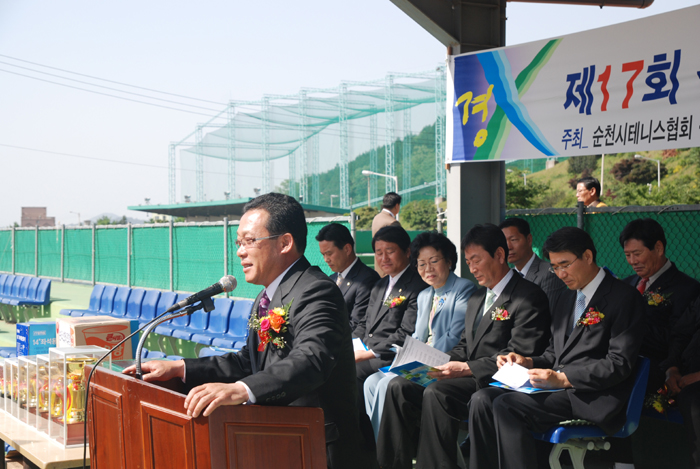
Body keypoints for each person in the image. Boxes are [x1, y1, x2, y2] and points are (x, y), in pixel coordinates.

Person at [123, 193, 376, 469]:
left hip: (321, 447)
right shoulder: (266, 296)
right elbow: (249, 361)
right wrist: (181, 368)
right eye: (238, 243)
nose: (240, 252)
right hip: (280, 439)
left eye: (249, 241)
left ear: (285, 243)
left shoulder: (317, 290)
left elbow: (311, 359)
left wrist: (243, 389)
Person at [377, 224, 551, 469]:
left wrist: (466, 368)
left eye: (476, 260)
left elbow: (519, 354)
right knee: (399, 385)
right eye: (468, 262)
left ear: (499, 255)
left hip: (495, 379)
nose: (472, 268)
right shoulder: (478, 297)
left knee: (437, 392)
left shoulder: (527, 296)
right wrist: (434, 363)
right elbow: (463, 346)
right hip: (467, 374)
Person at [469, 226, 643, 469]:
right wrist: (527, 361)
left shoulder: (623, 297)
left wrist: (563, 379)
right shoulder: (566, 297)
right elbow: (554, 353)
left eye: (565, 265)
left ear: (588, 256)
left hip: (590, 395)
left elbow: (618, 363)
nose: (560, 274)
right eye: (555, 267)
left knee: (506, 405)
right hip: (557, 389)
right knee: (482, 398)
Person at [362, 231, 476, 440]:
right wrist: (405, 359)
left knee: (387, 385)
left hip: (442, 362)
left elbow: (453, 337)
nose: (427, 269)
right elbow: (416, 336)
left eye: (434, 261)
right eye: (421, 264)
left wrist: (419, 360)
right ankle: (381, 444)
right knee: (371, 382)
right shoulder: (425, 295)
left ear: (449, 261)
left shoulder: (463, 289)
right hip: (419, 361)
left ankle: (389, 449)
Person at [620, 218, 700, 390]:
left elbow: (676, 338)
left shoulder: (687, 288)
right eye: (627, 255)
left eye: (637, 253)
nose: (632, 261)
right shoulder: (625, 285)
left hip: (655, 372)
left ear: (658, 248)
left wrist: (625, 325)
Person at [354, 225, 427, 383]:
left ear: (407, 252)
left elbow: (406, 332)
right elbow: (365, 323)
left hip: (389, 356)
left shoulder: (417, 285)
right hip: (367, 352)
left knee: (350, 371)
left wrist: (369, 353)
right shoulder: (379, 285)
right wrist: (349, 346)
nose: (384, 258)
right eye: (379, 253)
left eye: (390, 251)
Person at [316, 223, 380, 335]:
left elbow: (357, 324)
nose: (326, 259)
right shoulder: (331, 279)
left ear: (347, 249)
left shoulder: (367, 279)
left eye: (329, 253)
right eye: (323, 255)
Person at [662, 297, 700, 469]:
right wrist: (672, 368)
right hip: (686, 372)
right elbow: (680, 335)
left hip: (694, 385)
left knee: (693, 399)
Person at [499, 217, 566, 309]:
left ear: (529, 239)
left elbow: (547, 313)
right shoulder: (508, 277)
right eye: (504, 242)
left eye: (513, 240)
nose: (508, 247)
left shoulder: (549, 273)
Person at [371, 192, 402, 277]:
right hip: (390, 269)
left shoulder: (376, 218)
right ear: (397, 206)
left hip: (379, 267)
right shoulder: (392, 222)